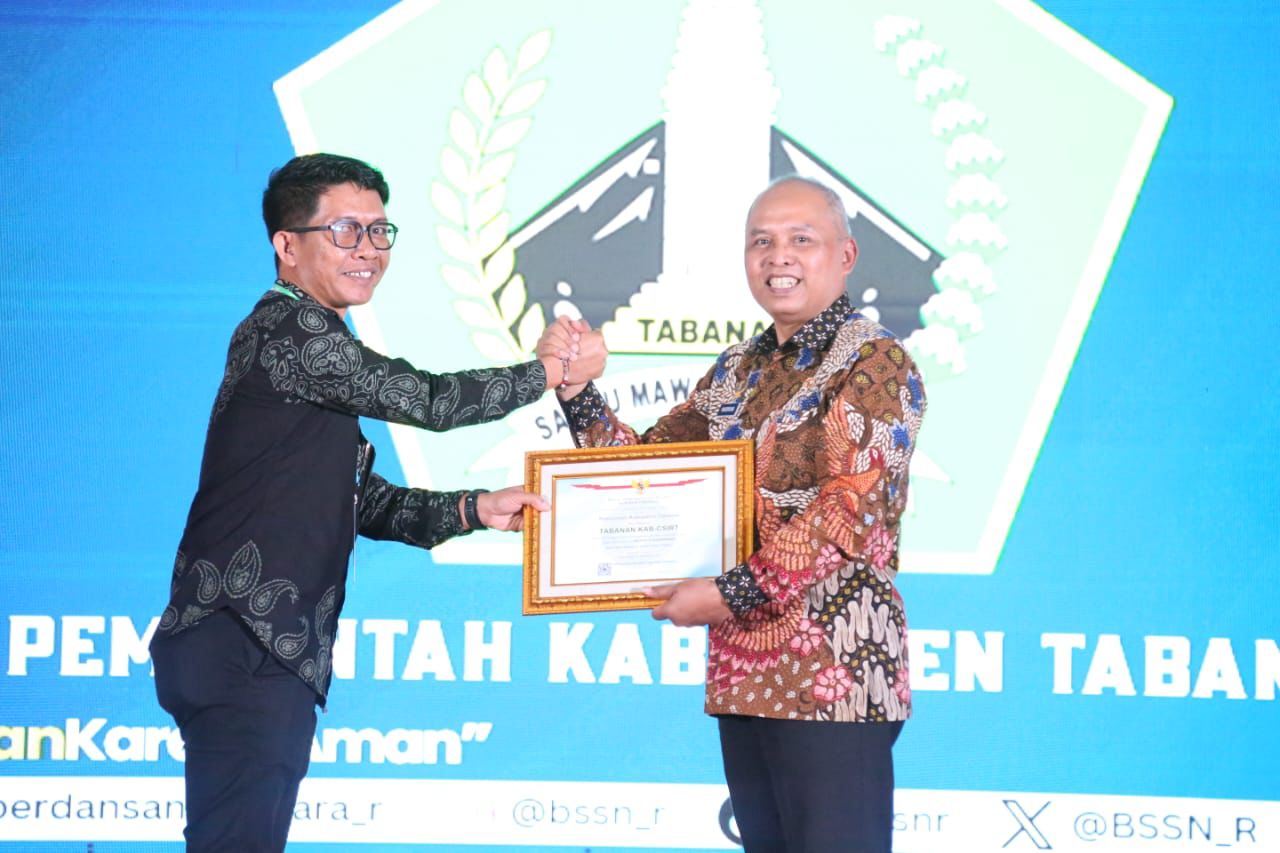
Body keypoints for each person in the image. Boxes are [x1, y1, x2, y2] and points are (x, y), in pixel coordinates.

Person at [148, 152, 603, 852]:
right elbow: (427, 400)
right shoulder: (291, 332)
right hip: (245, 640)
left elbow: (363, 499)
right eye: (345, 231)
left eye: (379, 230)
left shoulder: (313, 342)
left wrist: (475, 508)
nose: (368, 249)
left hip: (255, 646)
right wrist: (548, 371)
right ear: (287, 245)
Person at [539, 176, 926, 852]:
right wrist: (577, 390)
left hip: (835, 671)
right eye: (761, 242)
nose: (779, 256)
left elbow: (849, 510)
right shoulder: (739, 368)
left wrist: (728, 592)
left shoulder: (875, 361)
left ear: (846, 255)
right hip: (744, 674)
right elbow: (645, 471)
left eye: (801, 239)